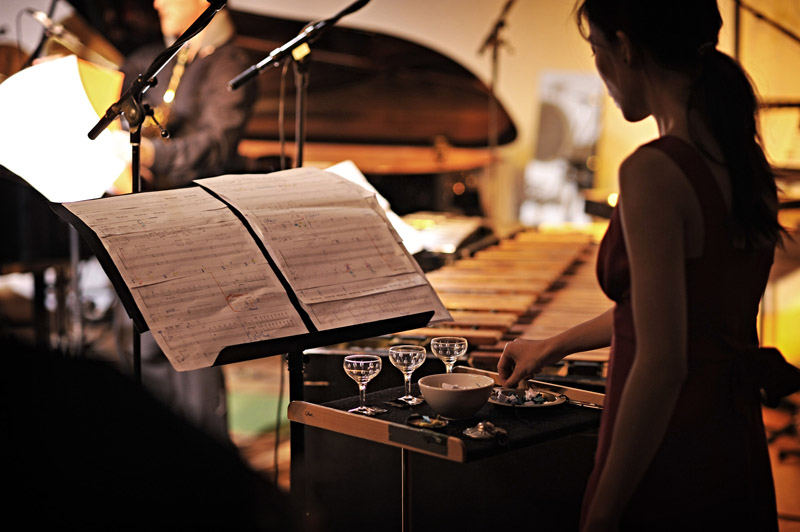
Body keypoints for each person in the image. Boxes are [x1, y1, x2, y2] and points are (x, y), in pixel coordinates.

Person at [498, 0, 787, 530]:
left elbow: (662, 362)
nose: (599, 71)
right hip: (730, 432)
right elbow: (681, 311)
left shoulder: (653, 171)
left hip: (669, 441)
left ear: (626, 48)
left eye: (596, 49)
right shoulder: (747, 166)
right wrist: (551, 346)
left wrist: (604, 509)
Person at [112, 0, 257, 445]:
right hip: (141, 216)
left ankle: (207, 456)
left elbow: (215, 144)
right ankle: (158, 445)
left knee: (191, 345)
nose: (157, 2)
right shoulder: (154, 59)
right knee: (133, 339)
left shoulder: (229, 62)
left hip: (193, 217)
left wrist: (151, 156)